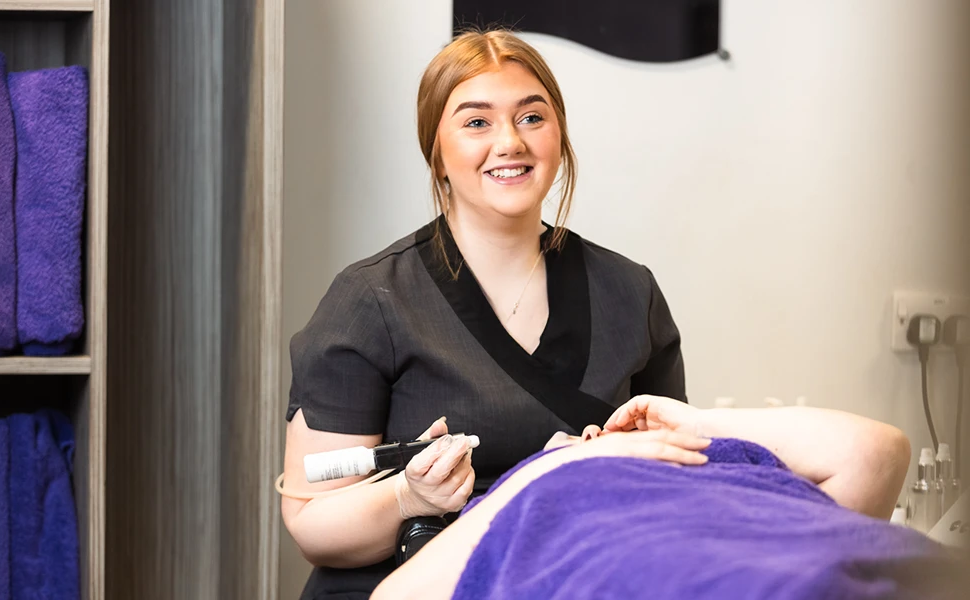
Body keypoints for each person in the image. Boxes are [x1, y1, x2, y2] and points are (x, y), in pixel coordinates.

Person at [281, 28, 686, 599]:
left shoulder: (629, 291)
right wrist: (408, 498)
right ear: (437, 152)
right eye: (477, 122)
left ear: (559, 136)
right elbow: (312, 524)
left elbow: (669, 469)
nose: (510, 142)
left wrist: (610, 468)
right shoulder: (371, 300)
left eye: (531, 117)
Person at [370, 396, 968, 600]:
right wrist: (549, 471)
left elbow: (878, 452)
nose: (591, 433)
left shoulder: (715, 455)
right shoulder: (521, 502)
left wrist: (696, 422)